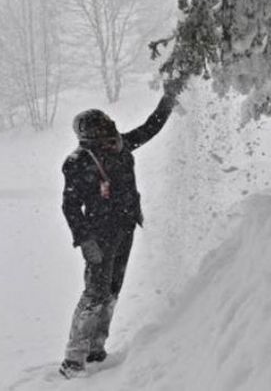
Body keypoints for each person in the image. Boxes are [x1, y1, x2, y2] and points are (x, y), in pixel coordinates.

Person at [59, 81, 181, 378]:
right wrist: (85, 240)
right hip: (98, 236)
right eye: (103, 129)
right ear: (89, 135)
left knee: (113, 288)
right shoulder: (77, 162)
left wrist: (169, 98)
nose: (110, 133)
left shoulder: (121, 145)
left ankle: (96, 349)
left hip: (125, 226)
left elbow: (150, 127)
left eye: (110, 126)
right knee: (95, 292)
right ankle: (74, 358)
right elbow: (70, 207)